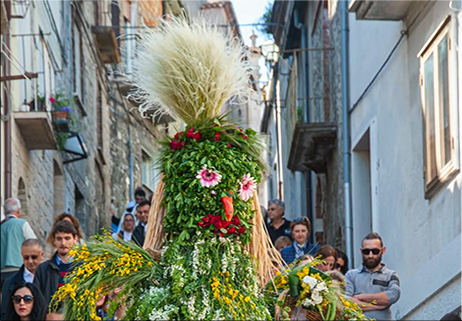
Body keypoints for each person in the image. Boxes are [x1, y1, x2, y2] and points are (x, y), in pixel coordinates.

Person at [345, 232, 401, 320]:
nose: (370, 255)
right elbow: (346, 301)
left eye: (375, 251)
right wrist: (378, 306)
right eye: (366, 251)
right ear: (361, 251)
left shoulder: (390, 275)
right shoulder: (351, 275)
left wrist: (360, 297)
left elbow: (393, 295)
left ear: (383, 251)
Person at [34, 221, 79, 307]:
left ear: (75, 239)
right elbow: (37, 301)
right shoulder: (42, 270)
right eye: (59, 239)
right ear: (54, 241)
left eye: (67, 238)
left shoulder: (84, 268)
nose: (63, 243)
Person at [1, 239, 44, 319]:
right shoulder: (10, 281)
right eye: (26, 257)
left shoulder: (51, 277)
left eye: (34, 257)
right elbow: (5, 313)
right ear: (21, 256)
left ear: (41, 255)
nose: (30, 261)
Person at [1, 198, 37, 292]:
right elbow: (33, 244)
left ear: (5, 211)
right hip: (18, 269)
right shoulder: (22, 223)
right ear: (18, 210)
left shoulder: (1, 226)